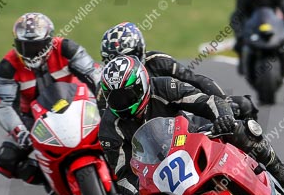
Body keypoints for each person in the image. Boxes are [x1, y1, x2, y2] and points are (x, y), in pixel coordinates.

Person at [97, 55, 284, 195]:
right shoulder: (108, 129)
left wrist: (223, 118)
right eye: (116, 98)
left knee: (241, 129)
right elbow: (122, 173)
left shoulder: (164, 87)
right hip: (156, 175)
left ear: (142, 85)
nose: (123, 103)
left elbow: (207, 101)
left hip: (193, 141)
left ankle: (279, 171)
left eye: (128, 94)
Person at [0, 12, 101, 195]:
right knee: (6, 159)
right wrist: (19, 131)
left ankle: (124, 173)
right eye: (25, 46)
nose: (32, 51)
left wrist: (104, 99)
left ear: (50, 40)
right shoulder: (8, 66)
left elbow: (95, 73)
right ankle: (51, 184)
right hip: (33, 119)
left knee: (114, 128)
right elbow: (4, 106)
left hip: (78, 105)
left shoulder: (66, 48)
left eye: (37, 45)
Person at [100, 21, 257, 120]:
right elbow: (104, 125)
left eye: (129, 56)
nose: (122, 63)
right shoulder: (106, 87)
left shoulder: (157, 61)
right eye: (112, 61)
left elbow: (195, 80)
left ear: (139, 50)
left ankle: (256, 159)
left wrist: (223, 101)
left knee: (242, 105)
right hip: (141, 141)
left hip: (181, 121)